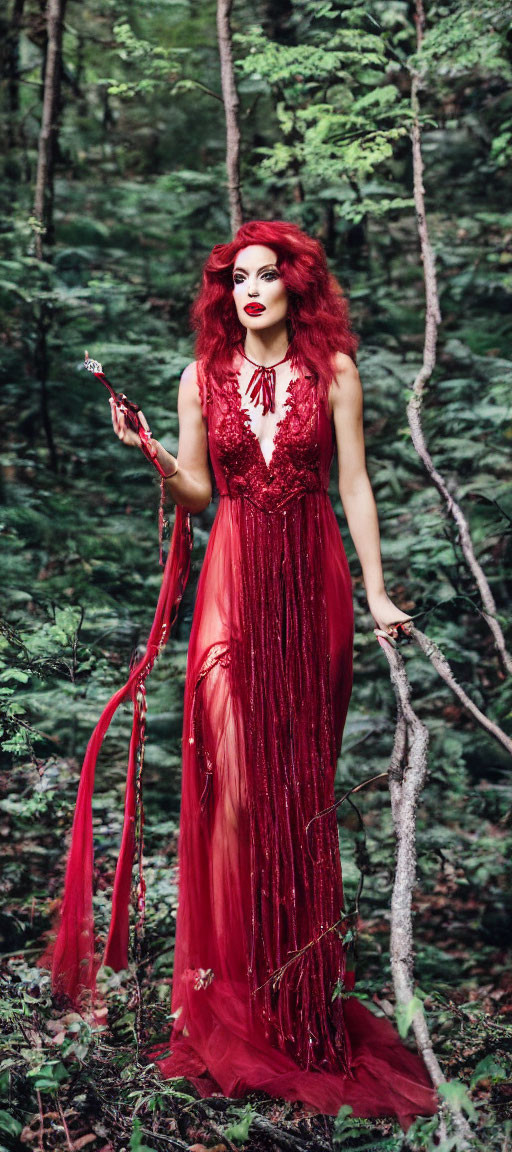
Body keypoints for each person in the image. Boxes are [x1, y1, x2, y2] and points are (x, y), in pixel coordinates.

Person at [41, 220, 437, 1129]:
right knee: (229, 782)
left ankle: (299, 1007)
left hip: (315, 583)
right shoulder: (198, 378)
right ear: (225, 293)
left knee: (299, 789)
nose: (251, 290)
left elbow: (356, 486)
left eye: (268, 276)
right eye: (237, 279)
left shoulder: (333, 373)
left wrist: (378, 593)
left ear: (297, 286)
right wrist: (147, 448)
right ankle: (230, 1002)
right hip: (233, 578)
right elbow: (197, 492)